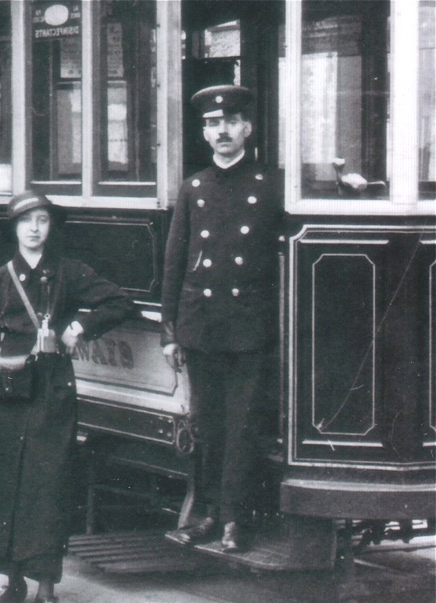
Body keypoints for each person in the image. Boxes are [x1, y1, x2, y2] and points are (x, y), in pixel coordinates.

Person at [0, 191, 136, 603]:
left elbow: (119, 302)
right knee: (5, 486)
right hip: (4, 392)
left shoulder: (69, 273)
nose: (35, 228)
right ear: (15, 228)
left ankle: (46, 589)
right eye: (27, 221)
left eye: (42, 220)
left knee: (47, 487)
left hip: (51, 391)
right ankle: (14, 582)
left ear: (51, 226)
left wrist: (78, 326)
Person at [161, 85, 282, 552]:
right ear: (205, 133)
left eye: (230, 122)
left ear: (246, 128)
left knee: (242, 425)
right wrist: (170, 331)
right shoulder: (194, 187)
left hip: (249, 326)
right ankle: (208, 514)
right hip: (202, 325)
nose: (221, 131)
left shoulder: (271, 184)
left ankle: (234, 520)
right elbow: (174, 262)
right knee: (208, 424)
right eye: (213, 125)